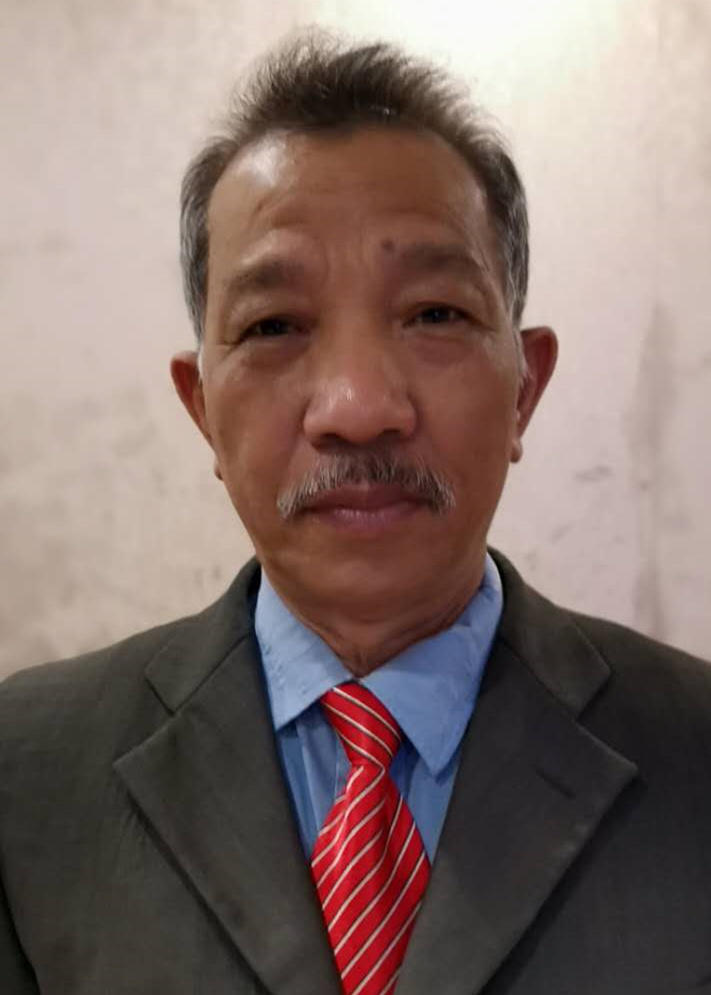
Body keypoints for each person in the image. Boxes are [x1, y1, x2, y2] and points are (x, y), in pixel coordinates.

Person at [1, 32, 710, 995]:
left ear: (524, 390)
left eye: (433, 314)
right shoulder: (24, 772)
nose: (358, 406)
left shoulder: (694, 748)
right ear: (202, 411)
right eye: (274, 325)